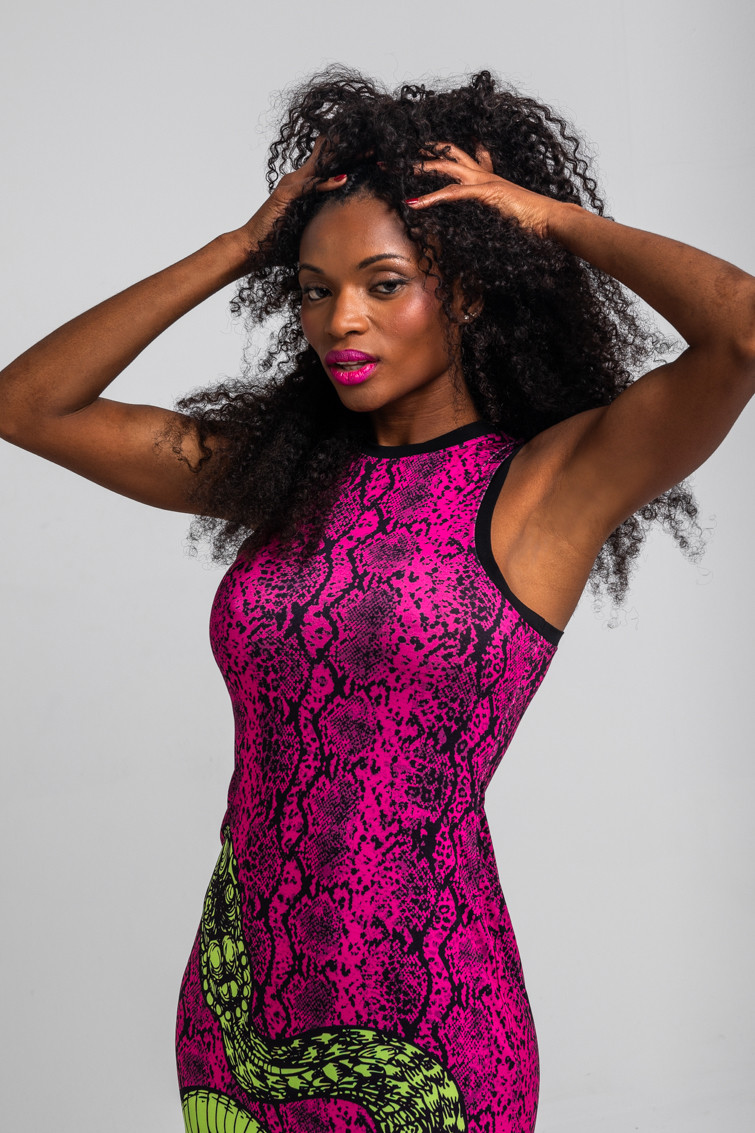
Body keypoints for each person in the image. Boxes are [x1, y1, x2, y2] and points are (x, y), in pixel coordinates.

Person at [1, 65, 753, 1133]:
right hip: (238, 1003)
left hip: (431, 1017)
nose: (340, 319)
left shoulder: (544, 487)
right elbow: (28, 406)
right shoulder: (281, 477)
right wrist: (241, 245)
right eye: (314, 288)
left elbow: (740, 331)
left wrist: (544, 218)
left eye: (383, 283)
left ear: (468, 288)